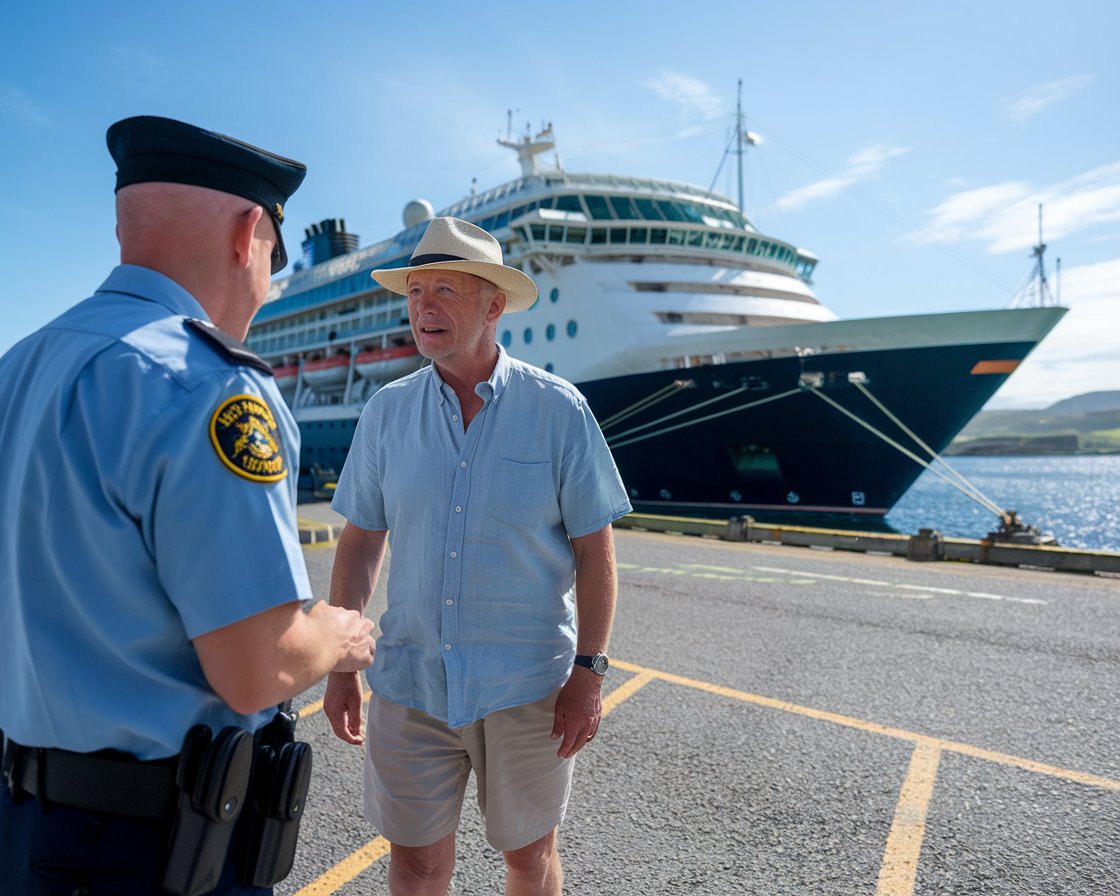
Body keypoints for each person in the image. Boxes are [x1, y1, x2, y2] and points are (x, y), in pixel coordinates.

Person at [0, 115, 376, 895]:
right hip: (151, 849)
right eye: (273, 254)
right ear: (250, 235)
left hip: (24, 821)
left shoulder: (22, 367)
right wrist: (338, 635)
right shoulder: (206, 384)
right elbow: (256, 667)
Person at [324, 216, 632, 895]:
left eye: (446, 290)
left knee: (528, 857)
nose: (425, 307)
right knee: (416, 863)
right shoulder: (385, 412)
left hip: (527, 688)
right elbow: (360, 541)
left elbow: (595, 549)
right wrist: (342, 661)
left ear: (494, 305)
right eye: (415, 292)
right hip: (411, 684)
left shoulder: (559, 410)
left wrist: (590, 671)